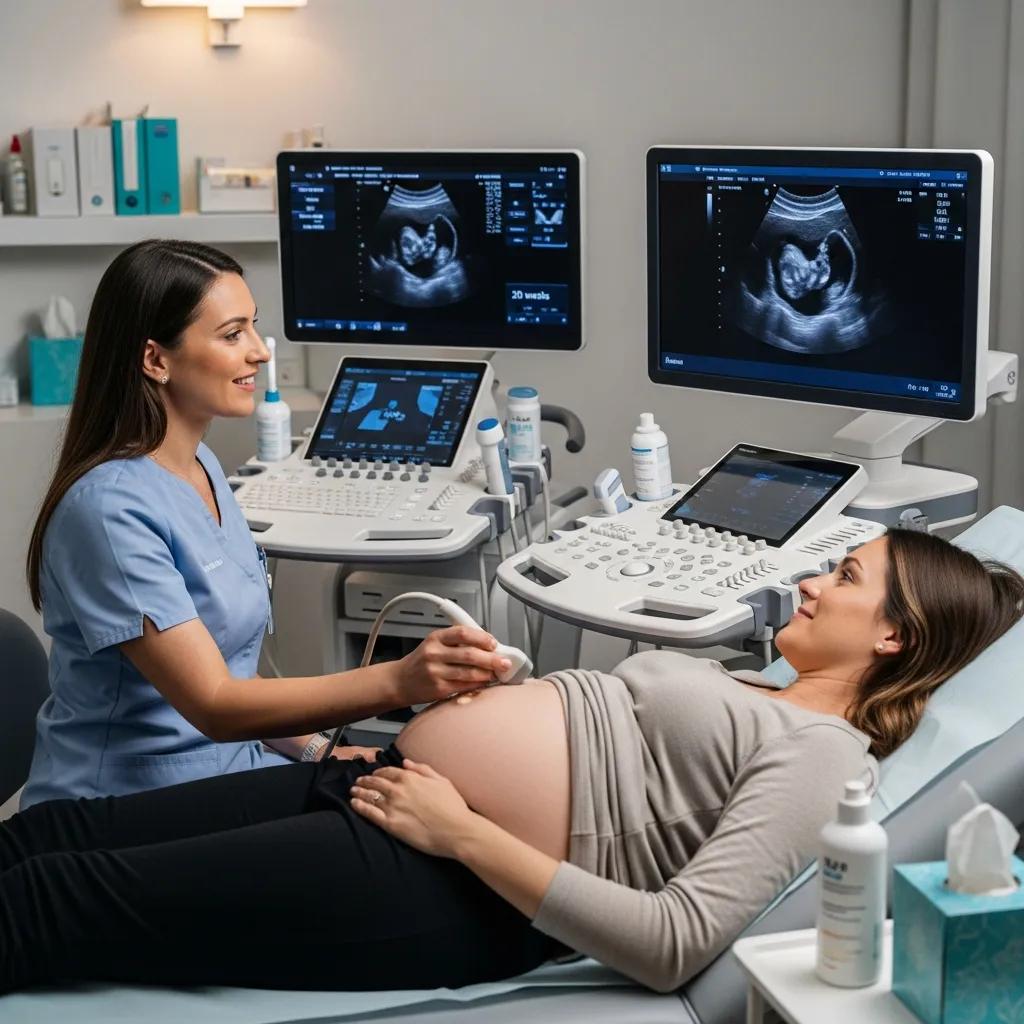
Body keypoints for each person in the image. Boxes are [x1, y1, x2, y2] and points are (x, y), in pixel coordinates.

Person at [2, 528, 1021, 995]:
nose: (806, 582)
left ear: (892, 636)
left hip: (444, 882)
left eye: (842, 577)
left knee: (57, 903)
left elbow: (676, 942)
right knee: (51, 834)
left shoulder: (821, 754)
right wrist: (358, 752)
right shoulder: (748, 680)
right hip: (379, 785)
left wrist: (464, 830)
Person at [21, 239, 507, 808]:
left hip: (232, 770)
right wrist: (401, 680)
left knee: (435, 788)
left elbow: (231, 673)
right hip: (123, 811)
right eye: (232, 335)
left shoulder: (198, 466)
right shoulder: (107, 511)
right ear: (156, 359)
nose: (258, 353)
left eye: (254, 328)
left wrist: (317, 750)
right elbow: (215, 702)